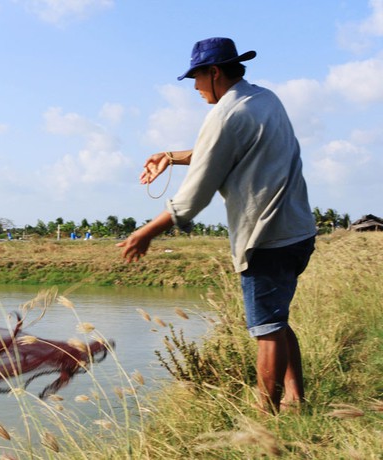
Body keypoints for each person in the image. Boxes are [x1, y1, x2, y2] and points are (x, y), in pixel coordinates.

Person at [117, 37, 317, 413]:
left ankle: (267, 420)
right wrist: (169, 157)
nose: (194, 88)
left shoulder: (224, 115)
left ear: (214, 72)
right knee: (277, 319)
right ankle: (295, 400)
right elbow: (222, 150)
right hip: (299, 231)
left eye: (196, 78)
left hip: (265, 238)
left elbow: (193, 198)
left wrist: (144, 233)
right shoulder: (265, 99)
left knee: (266, 330)